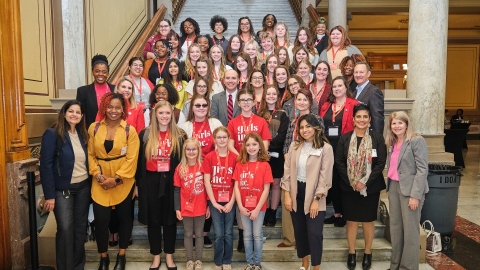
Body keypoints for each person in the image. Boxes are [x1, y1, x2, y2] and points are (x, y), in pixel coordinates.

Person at [88, 92, 140, 270]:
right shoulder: (94, 128)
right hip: (100, 180)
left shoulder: (129, 131)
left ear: (123, 109)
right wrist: (97, 175)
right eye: (110, 107)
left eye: (118, 107)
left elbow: (132, 159)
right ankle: (104, 257)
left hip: (123, 181)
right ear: (104, 107)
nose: (113, 110)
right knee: (101, 222)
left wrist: (116, 179)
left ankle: (121, 255)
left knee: (125, 219)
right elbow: (90, 155)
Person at [335, 103, 387, 270]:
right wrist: (352, 181)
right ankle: (351, 252)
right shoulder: (344, 138)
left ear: (370, 119)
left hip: (370, 187)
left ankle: (367, 252)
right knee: (351, 220)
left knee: (368, 220)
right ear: (353, 119)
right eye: (359, 117)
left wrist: (364, 181)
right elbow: (339, 163)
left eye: (365, 116)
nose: (362, 120)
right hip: (348, 187)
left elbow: (380, 163)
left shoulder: (377, 138)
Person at [136, 100, 187, 270]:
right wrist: (137, 184)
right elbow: (138, 162)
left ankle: (170, 257)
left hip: (172, 182)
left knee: (170, 220)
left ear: (172, 114)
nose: (164, 116)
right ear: (155, 114)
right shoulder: (145, 134)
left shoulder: (180, 135)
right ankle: (156, 256)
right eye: (161, 113)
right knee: (154, 220)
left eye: (167, 113)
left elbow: (184, 162)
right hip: (151, 181)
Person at [40, 100, 90, 270]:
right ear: (64, 113)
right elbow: (45, 165)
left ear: (82, 116)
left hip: (83, 188)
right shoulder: (52, 134)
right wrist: (50, 196)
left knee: (80, 230)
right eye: (71, 111)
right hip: (63, 190)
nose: (74, 114)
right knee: (66, 229)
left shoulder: (83, 135)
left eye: (78, 112)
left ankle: (78, 266)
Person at [281, 114, 333, 270]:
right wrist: (287, 195)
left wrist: (316, 199)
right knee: (300, 231)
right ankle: (304, 264)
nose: (305, 130)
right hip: (296, 192)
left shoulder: (326, 148)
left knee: (315, 233)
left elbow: (325, 177)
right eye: (302, 127)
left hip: (316, 194)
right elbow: (287, 171)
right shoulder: (294, 146)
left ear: (316, 128)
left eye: (308, 126)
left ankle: (316, 266)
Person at [385, 111, 428, 270]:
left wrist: (415, 195)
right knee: (396, 230)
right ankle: (395, 265)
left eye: (400, 123)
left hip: (411, 191)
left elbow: (422, 170)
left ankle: (408, 267)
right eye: (393, 123)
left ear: (407, 123)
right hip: (394, 188)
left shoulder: (416, 140)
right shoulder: (393, 142)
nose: (396, 126)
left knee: (410, 232)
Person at [319, 76, 359, 227]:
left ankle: (346, 214)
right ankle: (336, 213)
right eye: (334, 86)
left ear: (345, 87)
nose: (336, 88)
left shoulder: (353, 104)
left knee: (344, 182)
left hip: (345, 149)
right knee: (333, 181)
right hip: (328, 148)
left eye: (339, 86)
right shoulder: (326, 105)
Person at [233, 133, 273, 270]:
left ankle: (257, 263)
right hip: (243, 207)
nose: (251, 147)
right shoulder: (240, 164)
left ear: (260, 147)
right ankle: (249, 263)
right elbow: (236, 187)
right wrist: (240, 206)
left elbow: (266, 189)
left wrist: (257, 209)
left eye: (254, 144)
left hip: (259, 208)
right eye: (248, 144)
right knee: (247, 235)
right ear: (244, 147)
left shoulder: (265, 165)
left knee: (257, 234)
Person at [202, 127, 238, 270]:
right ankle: (218, 262)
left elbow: (237, 182)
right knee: (218, 233)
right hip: (214, 201)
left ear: (229, 139)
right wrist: (214, 203)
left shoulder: (235, 158)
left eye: (224, 137)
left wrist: (231, 202)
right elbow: (206, 181)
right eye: (219, 137)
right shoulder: (209, 157)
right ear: (214, 139)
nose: (222, 140)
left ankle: (227, 260)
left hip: (230, 200)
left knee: (228, 232)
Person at [174, 138, 210, 270]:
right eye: (188, 149)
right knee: (188, 234)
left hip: (201, 206)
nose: (191, 151)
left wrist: (208, 206)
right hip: (186, 207)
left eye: (194, 149)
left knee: (199, 234)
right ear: (184, 151)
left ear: (198, 150)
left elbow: (207, 188)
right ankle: (189, 260)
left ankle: (198, 260)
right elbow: (177, 190)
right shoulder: (180, 168)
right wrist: (177, 208)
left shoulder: (203, 166)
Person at [257, 85, 289, 227]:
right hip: (261, 155)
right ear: (264, 96)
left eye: (273, 94)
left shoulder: (283, 114)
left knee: (276, 184)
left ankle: (273, 213)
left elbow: (283, 135)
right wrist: (262, 148)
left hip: (276, 155)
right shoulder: (258, 113)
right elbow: (256, 134)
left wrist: (268, 146)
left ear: (277, 96)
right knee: (265, 185)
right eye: (268, 94)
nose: (270, 96)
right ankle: (264, 212)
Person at [227, 89, 272, 154]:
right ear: (239, 103)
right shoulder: (232, 123)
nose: (246, 102)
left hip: (257, 160)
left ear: (254, 102)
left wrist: (256, 157)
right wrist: (240, 157)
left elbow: (265, 144)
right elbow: (230, 145)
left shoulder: (262, 121)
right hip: (239, 160)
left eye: (249, 100)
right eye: (242, 100)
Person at [76, 54, 115, 129]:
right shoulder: (83, 91)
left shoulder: (115, 89)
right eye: (97, 71)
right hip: (91, 133)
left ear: (108, 73)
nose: (100, 74)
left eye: (104, 72)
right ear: (92, 72)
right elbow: (80, 115)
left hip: (113, 131)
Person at [283, 89, 324, 156]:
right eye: (299, 99)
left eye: (305, 100)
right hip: (293, 158)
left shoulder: (317, 119)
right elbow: (287, 144)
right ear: (295, 102)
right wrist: (287, 158)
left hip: (311, 157)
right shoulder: (293, 122)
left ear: (310, 102)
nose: (301, 102)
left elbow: (320, 141)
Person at [353, 62, 385, 134]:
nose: (358, 75)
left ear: (368, 74)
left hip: (368, 136)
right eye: (356, 72)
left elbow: (377, 118)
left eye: (361, 72)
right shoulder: (354, 93)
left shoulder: (374, 91)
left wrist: (376, 139)